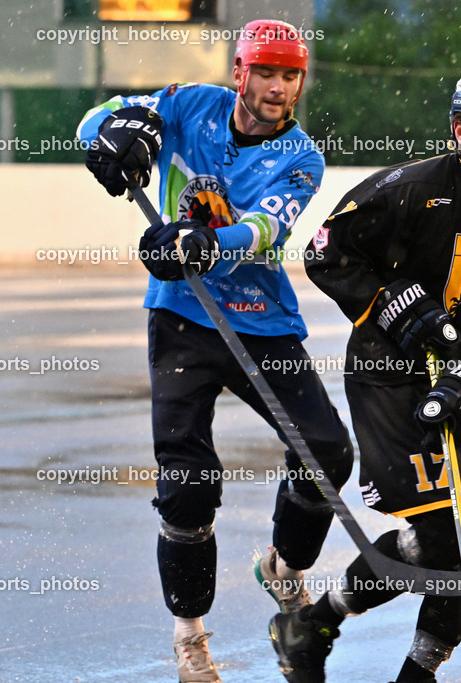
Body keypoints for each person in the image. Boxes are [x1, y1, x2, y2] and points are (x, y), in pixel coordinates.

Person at [76, 19, 354, 683]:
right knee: (188, 482)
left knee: (328, 453)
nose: (278, 87)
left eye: (290, 76)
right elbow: (97, 119)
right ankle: (190, 637)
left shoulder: (301, 157)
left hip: (262, 321)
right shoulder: (189, 105)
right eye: (266, 73)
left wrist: (204, 245)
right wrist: (112, 140)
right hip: (182, 320)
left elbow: (265, 229)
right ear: (239, 72)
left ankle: (284, 569)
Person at [270, 65, 461, 682]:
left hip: (458, 379)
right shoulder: (411, 187)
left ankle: (414, 674)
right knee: (442, 541)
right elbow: (325, 253)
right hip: (387, 373)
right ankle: (313, 623)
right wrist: (394, 302)